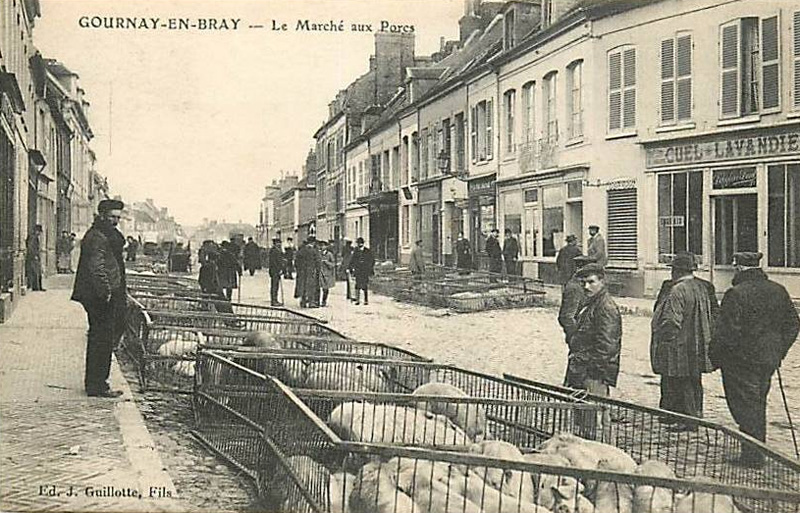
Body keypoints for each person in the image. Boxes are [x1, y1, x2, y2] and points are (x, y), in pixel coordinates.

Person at [710, 252, 800, 467]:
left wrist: (717, 356)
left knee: (744, 407)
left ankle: (753, 455)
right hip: (767, 361)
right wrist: (778, 351)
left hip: (740, 362)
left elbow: (727, 333)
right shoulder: (779, 291)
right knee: (757, 402)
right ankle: (755, 450)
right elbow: (793, 325)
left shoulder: (736, 294)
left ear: (740, 268)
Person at [650, 252, 718, 430]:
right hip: (695, 342)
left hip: (678, 344)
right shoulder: (700, 287)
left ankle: (687, 420)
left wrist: (665, 339)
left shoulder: (678, 289)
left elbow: (672, 320)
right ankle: (693, 415)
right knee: (692, 379)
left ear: (677, 271)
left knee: (681, 380)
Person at [71, 199, 127, 398]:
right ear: (102, 215)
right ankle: (97, 385)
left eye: (118, 217)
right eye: (112, 217)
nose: (115, 221)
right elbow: (96, 268)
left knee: (102, 337)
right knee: (101, 339)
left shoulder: (103, 234)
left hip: (103, 294)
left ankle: (96, 382)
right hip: (100, 296)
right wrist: (106, 292)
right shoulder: (98, 237)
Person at [565, 263, 622, 397]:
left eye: (591, 282)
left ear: (602, 281)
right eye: (583, 283)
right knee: (583, 411)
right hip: (582, 369)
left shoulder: (605, 307)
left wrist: (591, 371)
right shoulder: (592, 302)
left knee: (594, 412)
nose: (586, 287)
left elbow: (607, 346)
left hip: (593, 374)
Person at [558, 255, 596, 367]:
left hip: (585, 337)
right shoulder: (575, 288)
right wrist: (577, 337)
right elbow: (566, 317)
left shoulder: (583, 286)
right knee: (577, 369)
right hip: (579, 338)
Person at [349, 237, 374, 305]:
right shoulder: (356, 251)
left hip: (365, 271)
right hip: (358, 270)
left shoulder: (367, 251)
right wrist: (351, 268)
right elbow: (352, 260)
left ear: (363, 243)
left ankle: (366, 300)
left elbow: (371, 260)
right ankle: (358, 300)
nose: (359, 244)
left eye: (361, 243)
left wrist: (369, 268)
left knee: (365, 285)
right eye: (358, 243)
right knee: (357, 285)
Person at [301, 236, 321, 308]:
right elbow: (318, 261)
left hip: (303, 271)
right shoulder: (313, 250)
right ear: (313, 242)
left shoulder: (303, 249)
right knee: (312, 287)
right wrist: (318, 269)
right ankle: (311, 302)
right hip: (312, 270)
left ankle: (303, 302)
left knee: (304, 286)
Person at [25, 224, 44, 291]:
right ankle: (36, 287)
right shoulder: (33, 237)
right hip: (33, 257)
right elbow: (30, 247)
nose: (39, 234)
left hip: (35, 256)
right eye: (39, 232)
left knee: (37, 272)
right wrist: (34, 255)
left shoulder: (34, 237)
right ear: (36, 231)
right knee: (35, 272)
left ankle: (38, 287)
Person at [267, 237, 284, 306]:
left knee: (275, 285)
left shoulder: (275, 250)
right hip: (275, 271)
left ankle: (274, 300)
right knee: (274, 286)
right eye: (279, 243)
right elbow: (274, 262)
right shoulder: (275, 251)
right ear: (276, 243)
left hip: (274, 270)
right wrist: (279, 269)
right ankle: (274, 301)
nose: (280, 244)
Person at [318, 240, 336, 307]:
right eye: (321, 245)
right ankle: (317, 301)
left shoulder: (329, 255)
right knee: (318, 288)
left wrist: (327, 262)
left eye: (323, 245)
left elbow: (333, 264)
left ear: (326, 246)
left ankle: (324, 301)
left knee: (325, 289)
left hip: (327, 275)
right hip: (319, 273)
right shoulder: (318, 254)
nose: (322, 247)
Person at [294, 239, 308, 305]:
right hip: (306, 271)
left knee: (301, 286)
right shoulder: (306, 251)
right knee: (305, 286)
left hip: (300, 271)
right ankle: (304, 300)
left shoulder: (299, 252)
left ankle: (302, 299)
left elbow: (296, 263)